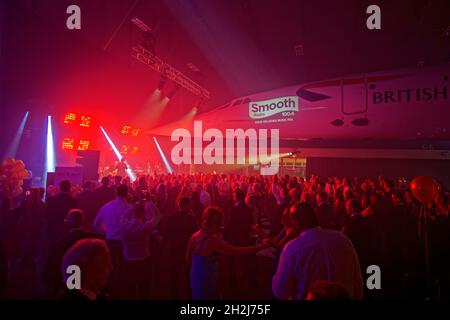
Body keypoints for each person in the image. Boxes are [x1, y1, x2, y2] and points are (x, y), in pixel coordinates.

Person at [272, 202, 363, 300]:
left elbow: (279, 291)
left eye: (291, 219)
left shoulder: (292, 249)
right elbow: (357, 282)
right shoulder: (343, 239)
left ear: (296, 222)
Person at [186, 206, 269, 300]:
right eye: (219, 225)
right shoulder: (210, 241)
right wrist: (261, 246)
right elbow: (236, 251)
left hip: (195, 276)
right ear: (215, 223)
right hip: (206, 280)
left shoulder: (194, 236)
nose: (219, 228)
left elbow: (188, 260)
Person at [42, 209, 100, 295]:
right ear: (83, 220)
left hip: (68, 286)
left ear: (68, 222)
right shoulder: (95, 240)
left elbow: (49, 272)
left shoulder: (60, 244)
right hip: (91, 285)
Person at [93, 184, 133, 297]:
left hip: (110, 241)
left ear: (116, 192)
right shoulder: (129, 208)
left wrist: (105, 233)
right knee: (123, 270)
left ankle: (109, 292)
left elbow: (95, 224)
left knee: (109, 269)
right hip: (124, 243)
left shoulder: (106, 206)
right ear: (127, 193)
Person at [120, 201, 162, 299]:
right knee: (144, 286)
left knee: (129, 286)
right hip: (144, 259)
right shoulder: (145, 226)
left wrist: (133, 208)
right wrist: (150, 202)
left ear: (133, 214)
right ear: (143, 214)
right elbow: (157, 215)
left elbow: (124, 216)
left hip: (128, 259)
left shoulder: (124, 226)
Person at [159, 197, 198, 299]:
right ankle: (189, 295)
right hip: (186, 250)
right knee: (188, 275)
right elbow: (195, 236)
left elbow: (165, 235)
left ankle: (173, 295)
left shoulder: (170, 218)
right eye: (189, 205)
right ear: (186, 206)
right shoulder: (192, 220)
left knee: (173, 275)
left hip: (173, 250)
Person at [342, 199, 376, 274]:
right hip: (367, 254)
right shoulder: (366, 220)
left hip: (356, 254)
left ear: (352, 207)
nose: (346, 208)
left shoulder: (351, 223)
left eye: (347, 206)